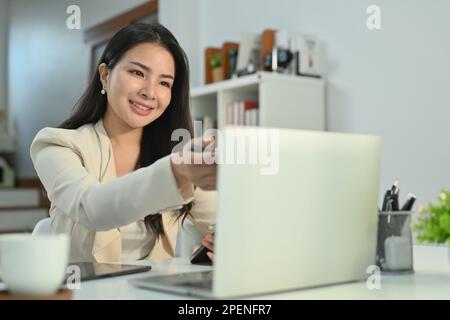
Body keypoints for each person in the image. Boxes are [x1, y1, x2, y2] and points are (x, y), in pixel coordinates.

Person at [30, 23, 216, 263]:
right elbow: (91, 207)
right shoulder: (57, 144)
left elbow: (228, 223)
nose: (150, 92)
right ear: (105, 75)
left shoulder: (174, 154)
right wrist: (175, 172)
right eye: (138, 73)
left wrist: (226, 243)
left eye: (164, 83)